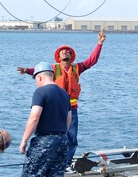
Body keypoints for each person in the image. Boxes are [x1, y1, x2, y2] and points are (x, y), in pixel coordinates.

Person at [17, 28, 106, 165]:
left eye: (67, 51)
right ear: (58, 57)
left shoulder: (77, 68)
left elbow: (92, 61)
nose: (65, 52)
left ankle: (66, 164)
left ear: (71, 56)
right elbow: (40, 71)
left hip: (72, 108)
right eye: (62, 52)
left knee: (71, 137)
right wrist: (27, 70)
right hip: (55, 108)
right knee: (52, 136)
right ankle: (53, 161)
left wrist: (99, 43)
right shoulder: (53, 68)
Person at [6, 62, 72, 177]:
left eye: (36, 78)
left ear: (40, 76)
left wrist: (24, 140)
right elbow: (69, 120)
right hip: (62, 140)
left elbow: (34, 117)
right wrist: (61, 135)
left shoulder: (40, 92)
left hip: (44, 140)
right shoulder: (64, 94)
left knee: (30, 175)